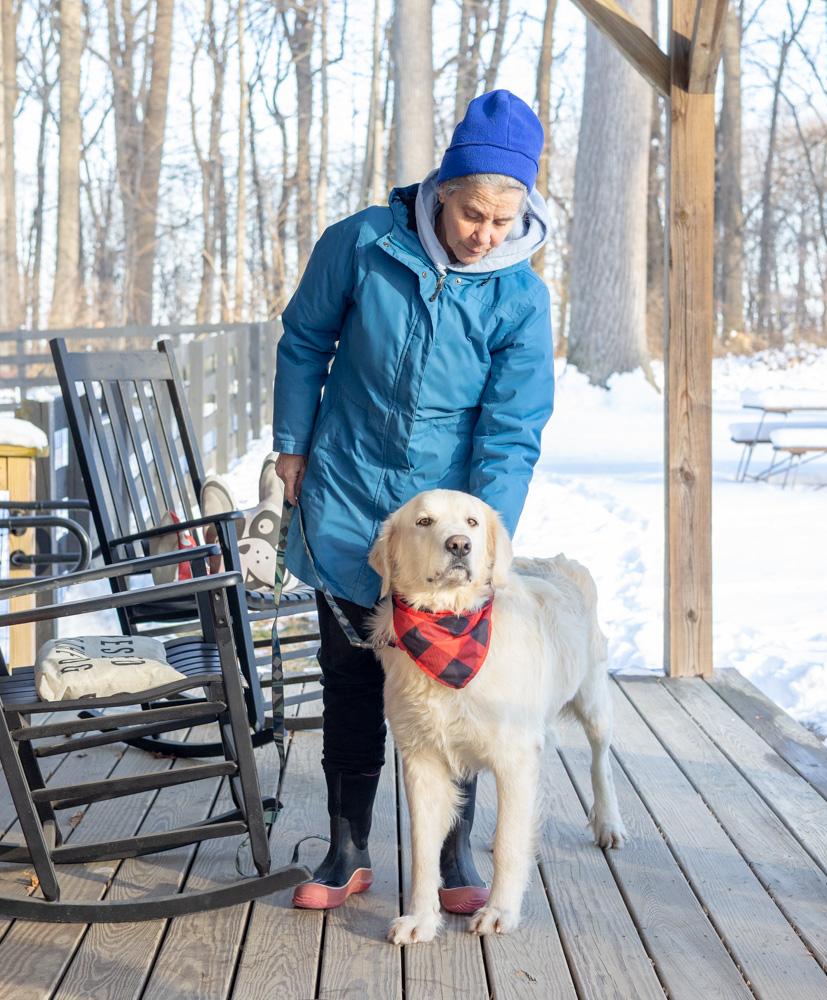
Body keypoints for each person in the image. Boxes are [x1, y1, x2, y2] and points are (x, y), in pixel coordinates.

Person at [272, 89, 554, 911]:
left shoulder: (520, 296)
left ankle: (455, 858)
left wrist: (484, 536)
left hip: (445, 528)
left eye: (503, 222)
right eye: (472, 214)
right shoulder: (362, 243)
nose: (485, 235)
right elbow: (304, 338)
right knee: (352, 673)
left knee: (453, 685)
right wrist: (292, 444)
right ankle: (347, 848)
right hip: (350, 490)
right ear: (444, 189)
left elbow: (512, 428)